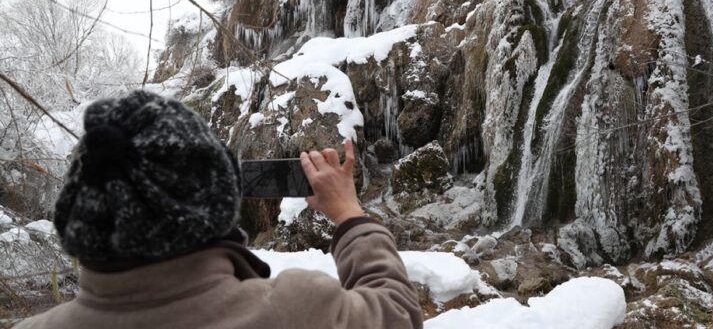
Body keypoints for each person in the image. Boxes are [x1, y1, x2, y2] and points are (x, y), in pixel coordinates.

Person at [15, 90, 423, 329]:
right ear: (216, 199)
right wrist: (349, 213)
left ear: (81, 211)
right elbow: (398, 313)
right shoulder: (296, 310)